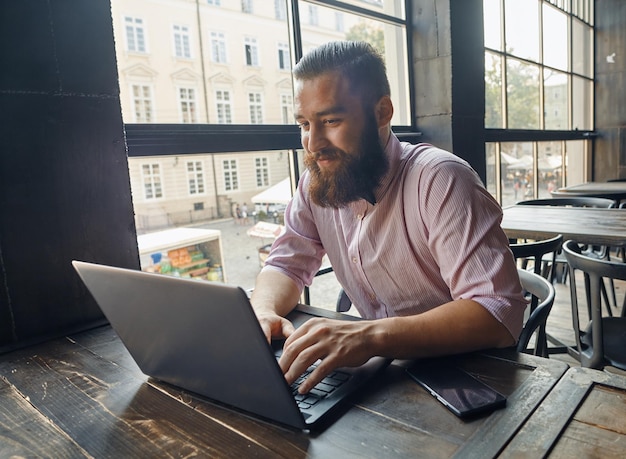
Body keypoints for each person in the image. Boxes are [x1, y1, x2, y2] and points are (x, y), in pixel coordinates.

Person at [250, 41, 526, 395]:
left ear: (382, 113)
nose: (313, 143)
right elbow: (286, 265)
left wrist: (370, 336)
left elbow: (497, 313)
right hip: (383, 377)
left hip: (471, 379)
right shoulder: (317, 181)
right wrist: (263, 310)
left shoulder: (441, 180)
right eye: (304, 123)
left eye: (331, 120)